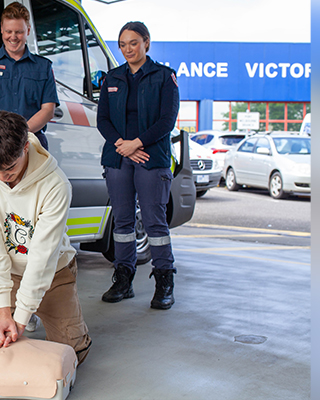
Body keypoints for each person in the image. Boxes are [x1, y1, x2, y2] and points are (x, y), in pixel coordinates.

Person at [0, 111, 91, 365]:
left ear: (26, 147)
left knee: (71, 353)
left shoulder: (56, 185)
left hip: (54, 272)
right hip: (11, 273)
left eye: (10, 168)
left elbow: (42, 258)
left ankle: (32, 310)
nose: (3, 177)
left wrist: (20, 319)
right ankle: (22, 309)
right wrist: (4, 314)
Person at [0, 1, 58, 308]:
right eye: (8, 32)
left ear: (28, 31)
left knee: (28, 216)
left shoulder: (42, 67)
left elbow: (48, 108)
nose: (13, 38)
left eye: (18, 32)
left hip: (30, 145)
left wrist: (20, 134)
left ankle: (30, 284)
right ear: (2, 30)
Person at [96, 22, 179, 309]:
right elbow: (102, 120)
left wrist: (137, 143)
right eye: (122, 44)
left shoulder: (164, 76)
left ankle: (164, 282)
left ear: (146, 43)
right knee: (122, 222)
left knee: (155, 222)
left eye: (133, 43)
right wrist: (123, 144)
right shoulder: (112, 78)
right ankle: (123, 278)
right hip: (119, 156)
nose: (127, 49)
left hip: (151, 157)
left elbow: (167, 121)